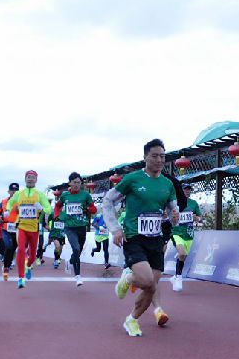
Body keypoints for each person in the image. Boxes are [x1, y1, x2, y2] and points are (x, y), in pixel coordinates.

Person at [102, 139, 179, 337]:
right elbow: (108, 200)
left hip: (156, 239)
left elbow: (173, 209)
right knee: (145, 279)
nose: (159, 160)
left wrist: (174, 217)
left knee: (151, 286)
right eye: (155, 156)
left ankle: (132, 320)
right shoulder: (133, 179)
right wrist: (115, 228)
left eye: (162, 156)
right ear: (145, 157)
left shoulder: (168, 184)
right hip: (134, 236)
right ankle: (128, 277)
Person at [5, 170, 52, 288]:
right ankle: (21, 278)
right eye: (28, 177)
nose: (30, 179)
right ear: (25, 179)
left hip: (34, 229)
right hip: (21, 226)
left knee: (32, 256)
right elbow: (10, 202)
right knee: (21, 249)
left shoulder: (40, 194)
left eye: (33, 177)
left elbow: (49, 209)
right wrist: (7, 210)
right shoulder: (19, 193)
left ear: (36, 180)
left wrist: (42, 209)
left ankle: (28, 265)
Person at [53, 172, 97, 286]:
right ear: (70, 183)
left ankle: (71, 261)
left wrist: (88, 209)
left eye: (79, 183)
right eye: (75, 182)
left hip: (82, 227)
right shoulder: (65, 195)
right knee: (76, 249)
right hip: (69, 227)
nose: (77, 185)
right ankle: (78, 277)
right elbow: (57, 206)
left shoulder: (85, 195)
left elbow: (94, 209)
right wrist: (57, 215)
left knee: (78, 251)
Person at [170, 184, 201, 292]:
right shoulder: (174, 203)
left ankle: (175, 277)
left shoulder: (193, 203)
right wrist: (173, 217)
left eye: (189, 190)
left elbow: (200, 218)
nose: (187, 191)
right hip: (176, 232)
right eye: (185, 189)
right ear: (180, 191)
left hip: (189, 234)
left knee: (183, 257)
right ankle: (179, 278)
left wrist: (196, 218)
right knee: (182, 253)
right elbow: (169, 217)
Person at [0, 183, 20, 281]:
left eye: (16, 191)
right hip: (6, 228)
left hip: (17, 228)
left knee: (13, 248)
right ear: (9, 191)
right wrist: (0, 217)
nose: (14, 192)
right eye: (12, 190)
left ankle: (7, 265)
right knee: (8, 246)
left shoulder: (21, 202)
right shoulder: (3, 202)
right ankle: (6, 266)